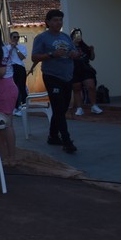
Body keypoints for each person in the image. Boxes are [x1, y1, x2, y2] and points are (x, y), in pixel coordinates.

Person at [32, 9, 80, 154]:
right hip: (52, 76)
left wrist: (74, 54)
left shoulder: (66, 37)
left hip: (67, 76)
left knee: (62, 108)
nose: (58, 23)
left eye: (60, 20)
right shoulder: (41, 38)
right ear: (48, 22)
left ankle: (53, 136)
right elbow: (35, 57)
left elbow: (76, 53)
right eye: (55, 20)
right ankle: (66, 140)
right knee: (58, 108)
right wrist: (52, 54)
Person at [0, 26, 18, 165]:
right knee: (1, 124)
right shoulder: (1, 49)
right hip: (4, 87)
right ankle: (4, 157)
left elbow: (1, 72)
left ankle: (11, 157)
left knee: (6, 124)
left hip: (3, 88)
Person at [70, 28, 103, 116]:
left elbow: (92, 58)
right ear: (72, 35)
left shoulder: (84, 46)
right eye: (76, 34)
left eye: (79, 34)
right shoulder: (70, 45)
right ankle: (79, 108)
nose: (78, 36)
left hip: (86, 68)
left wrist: (92, 50)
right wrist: (73, 43)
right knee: (77, 88)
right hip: (74, 69)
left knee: (91, 86)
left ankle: (94, 106)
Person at [7, 31, 28, 116]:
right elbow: (7, 56)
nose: (16, 39)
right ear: (11, 38)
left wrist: (16, 48)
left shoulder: (22, 47)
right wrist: (12, 47)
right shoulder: (7, 47)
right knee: (13, 88)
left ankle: (23, 106)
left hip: (20, 67)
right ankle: (15, 107)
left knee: (22, 87)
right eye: (14, 37)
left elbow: (22, 57)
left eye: (17, 37)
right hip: (11, 68)